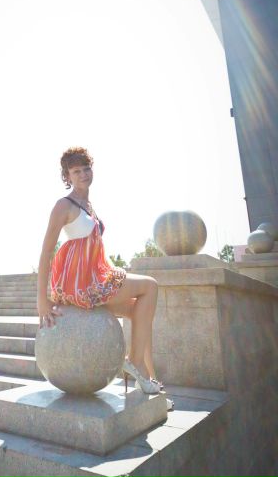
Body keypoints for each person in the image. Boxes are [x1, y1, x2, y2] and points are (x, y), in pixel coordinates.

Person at [37, 146, 171, 403]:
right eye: (76, 171)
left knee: (140, 312)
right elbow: (46, 252)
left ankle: (148, 379)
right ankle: (135, 364)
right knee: (150, 286)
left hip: (93, 276)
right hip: (82, 282)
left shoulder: (89, 205)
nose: (83, 174)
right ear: (67, 176)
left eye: (86, 168)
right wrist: (41, 300)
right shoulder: (63, 205)